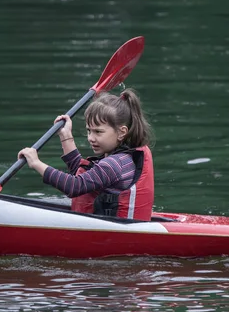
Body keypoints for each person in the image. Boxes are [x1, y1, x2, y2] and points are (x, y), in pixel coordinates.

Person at [18, 88, 155, 220]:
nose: (90, 137)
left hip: (114, 233)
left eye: (98, 132)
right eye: (89, 131)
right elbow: (79, 173)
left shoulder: (114, 164)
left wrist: (36, 163)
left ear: (122, 132)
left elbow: (74, 186)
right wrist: (65, 136)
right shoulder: (119, 157)